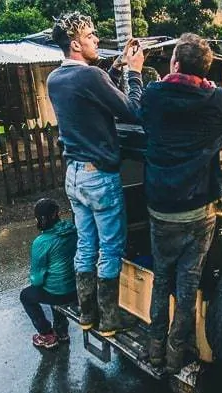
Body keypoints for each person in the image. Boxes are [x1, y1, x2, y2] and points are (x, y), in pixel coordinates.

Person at [140, 33, 222, 373]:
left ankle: (154, 350)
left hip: (160, 209)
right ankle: (176, 355)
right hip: (198, 212)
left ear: (175, 64)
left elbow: (138, 108)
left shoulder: (154, 95)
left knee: (162, 280)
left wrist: (135, 73)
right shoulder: (215, 100)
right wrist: (216, 99)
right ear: (205, 69)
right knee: (187, 284)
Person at [47, 12, 145, 336]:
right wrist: (134, 73)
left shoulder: (55, 80)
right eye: (90, 36)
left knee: (85, 246)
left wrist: (113, 69)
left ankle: (87, 314)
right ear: (75, 43)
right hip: (99, 177)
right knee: (111, 248)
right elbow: (131, 110)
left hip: (74, 176)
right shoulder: (90, 78)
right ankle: (110, 320)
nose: (96, 40)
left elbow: (91, 100)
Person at [20, 198, 78, 349]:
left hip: (60, 293)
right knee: (55, 283)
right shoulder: (72, 230)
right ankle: (62, 331)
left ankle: (46, 334)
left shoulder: (42, 242)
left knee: (26, 296)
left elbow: (37, 280)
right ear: (57, 213)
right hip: (77, 289)